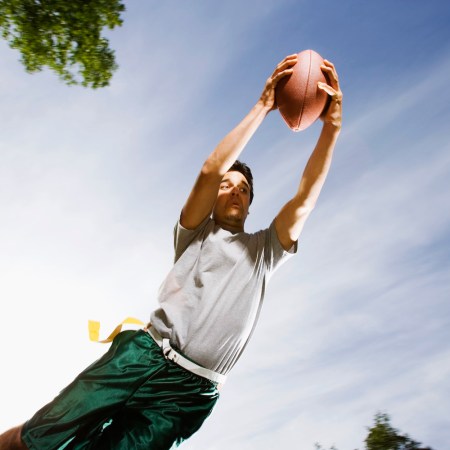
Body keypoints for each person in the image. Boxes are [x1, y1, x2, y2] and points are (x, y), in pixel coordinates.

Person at [0, 54, 342, 450]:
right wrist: (264, 106)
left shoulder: (265, 252)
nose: (234, 190)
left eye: (244, 189)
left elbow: (304, 200)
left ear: (250, 206)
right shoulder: (195, 233)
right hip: (141, 357)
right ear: (212, 198)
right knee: (35, 439)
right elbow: (210, 171)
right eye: (227, 185)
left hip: (188, 395)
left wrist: (331, 129)